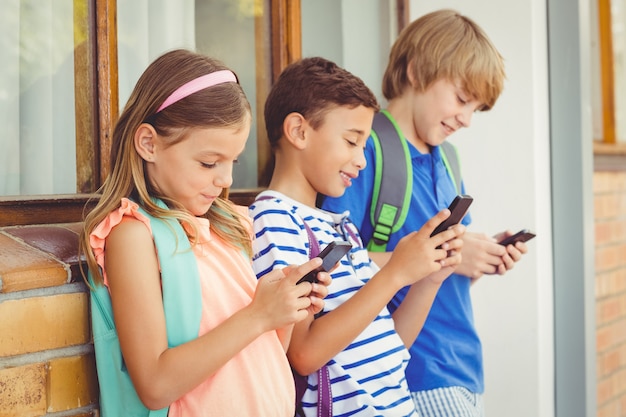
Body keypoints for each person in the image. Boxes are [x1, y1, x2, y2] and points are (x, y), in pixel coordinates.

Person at [79, 49, 330, 417]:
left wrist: (284, 312)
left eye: (232, 161)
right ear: (149, 143)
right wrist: (258, 316)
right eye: (209, 162)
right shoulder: (134, 236)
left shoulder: (228, 228)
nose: (226, 179)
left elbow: (258, 352)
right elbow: (155, 385)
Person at [322, 9, 529, 417]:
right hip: (411, 371)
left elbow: (439, 275)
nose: (467, 119)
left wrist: (477, 259)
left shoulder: (447, 159)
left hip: (463, 366)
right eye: (462, 99)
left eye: (477, 108)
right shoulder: (364, 152)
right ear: (416, 73)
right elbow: (330, 261)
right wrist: (442, 257)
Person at [250, 56, 466, 416]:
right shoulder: (274, 218)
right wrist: (395, 271)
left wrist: (427, 281)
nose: (362, 160)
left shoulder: (340, 226)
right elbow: (303, 354)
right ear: (299, 131)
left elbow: (391, 344)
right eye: (352, 142)